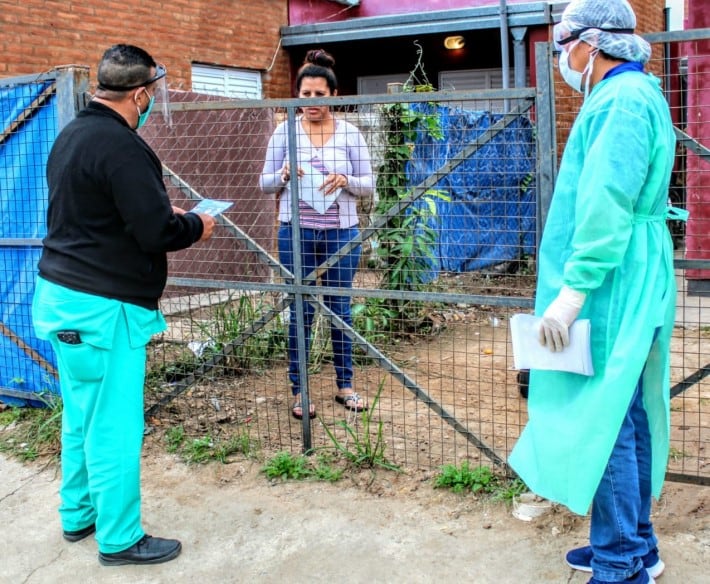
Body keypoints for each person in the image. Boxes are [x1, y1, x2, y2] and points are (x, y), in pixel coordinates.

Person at [508, 1, 687, 583]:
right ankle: (635, 546)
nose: (562, 56)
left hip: (613, 279)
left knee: (603, 417)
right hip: (627, 269)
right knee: (625, 412)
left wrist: (573, 292)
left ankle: (619, 565)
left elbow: (607, 202)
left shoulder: (619, 101)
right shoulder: (631, 95)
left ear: (591, 42)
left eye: (564, 44)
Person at [31, 44, 215, 566]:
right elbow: (156, 231)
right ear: (139, 94)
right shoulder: (124, 146)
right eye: (151, 94)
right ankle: (119, 537)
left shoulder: (71, 136)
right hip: (103, 310)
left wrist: (159, 210)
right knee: (114, 425)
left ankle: (78, 514)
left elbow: (99, 212)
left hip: (60, 299)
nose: (151, 101)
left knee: (81, 416)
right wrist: (197, 224)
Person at [259, 49, 374, 420]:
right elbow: (263, 182)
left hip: (342, 232)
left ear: (334, 96)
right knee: (301, 311)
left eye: (319, 96)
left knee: (340, 309)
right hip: (296, 233)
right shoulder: (284, 132)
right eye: (305, 95)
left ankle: (346, 386)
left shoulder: (351, 134)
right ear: (297, 96)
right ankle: (300, 390)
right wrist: (283, 176)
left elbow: (369, 186)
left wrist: (346, 180)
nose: (311, 102)